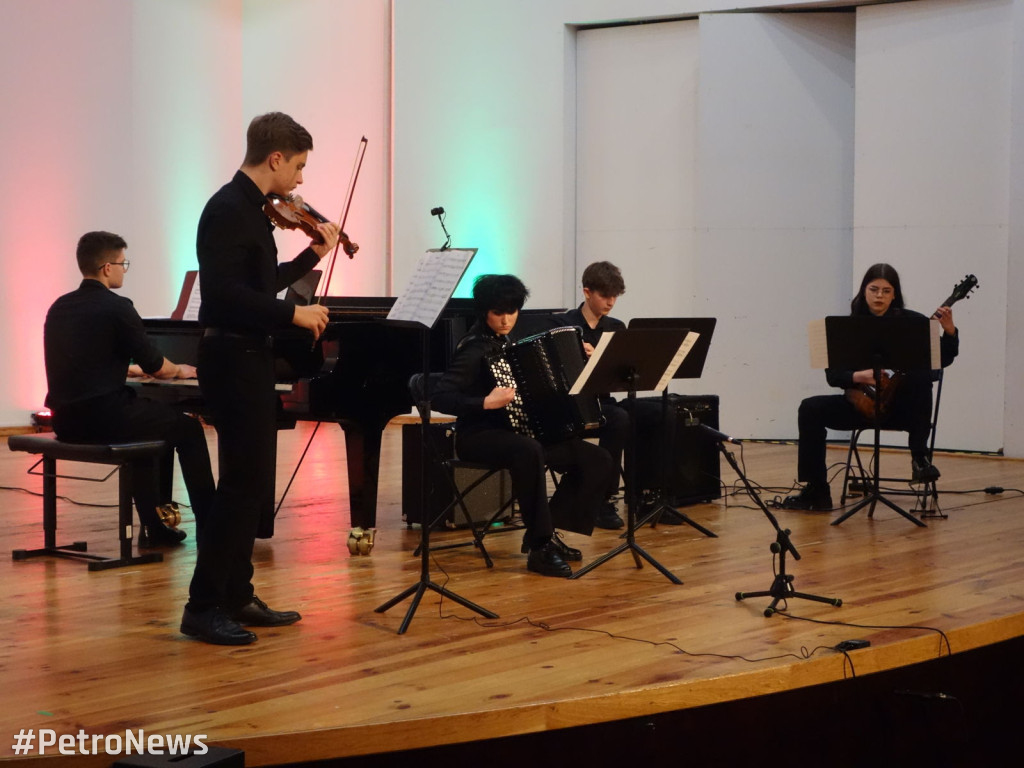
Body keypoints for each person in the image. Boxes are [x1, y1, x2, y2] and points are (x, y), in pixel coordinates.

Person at [181, 112, 339, 646]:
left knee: (251, 489)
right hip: (231, 358)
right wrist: (294, 316)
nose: (300, 180)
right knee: (240, 489)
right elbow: (223, 296)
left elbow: (263, 283)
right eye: (297, 166)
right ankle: (202, 606)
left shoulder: (253, 212)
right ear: (275, 158)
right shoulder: (227, 209)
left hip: (249, 357)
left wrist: (312, 254)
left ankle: (237, 594)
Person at [432, 274, 612, 577]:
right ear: (484, 312)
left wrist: (583, 361)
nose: (505, 320)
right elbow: (439, 396)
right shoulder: (473, 349)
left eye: (511, 312)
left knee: (597, 459)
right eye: (497, 313)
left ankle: (545, 532)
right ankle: (540, 547)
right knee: (528, 451)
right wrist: (483, 402)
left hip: (522, 432)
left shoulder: (514, 343)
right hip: (479, 434)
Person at [43, 231, 215, 548]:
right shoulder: (117, 307)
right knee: (188, 428)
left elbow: (88, 361)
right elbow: (156, 365)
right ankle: (212, 526)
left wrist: (129, 369)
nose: (125, 269)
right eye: (124, 263)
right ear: (107, 267)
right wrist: (181, 370)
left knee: (151, 422)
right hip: (106, 419)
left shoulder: (60, 308)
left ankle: (156, 527)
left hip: (65, 421)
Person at [782, 263, 959, 511]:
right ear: (864, 291)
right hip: (861, 406)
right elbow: (833, 376)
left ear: (894, 294)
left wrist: (949, 332)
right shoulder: (847, 327)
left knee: (921, 374)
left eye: (886, 291)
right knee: (810, 408)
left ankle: (919, 458)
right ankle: (817, 491)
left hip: (903, 410)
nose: (879, 296)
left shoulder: (915, 323)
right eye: (874, 289)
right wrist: (860, 376)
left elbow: (944, 360)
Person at [556, 261, 661, 527]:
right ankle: (604, 500)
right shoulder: (564, 324)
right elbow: (558, 375)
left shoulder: (616, 326)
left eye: (614, 296)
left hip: (605, 400)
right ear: (587, 292)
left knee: (662, 412)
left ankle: (648, 495)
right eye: (604, 296)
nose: (611, 302)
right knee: (618, 419)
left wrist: (608, 361)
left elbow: (623, 376)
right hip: (573, 405)